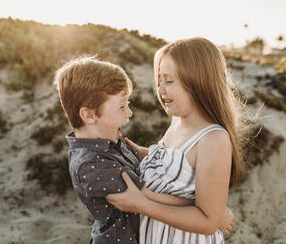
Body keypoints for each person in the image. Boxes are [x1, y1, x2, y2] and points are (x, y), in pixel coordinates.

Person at [54, 56, 235, 244]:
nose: (129, 113)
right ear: (89, 115)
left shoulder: (109, 143)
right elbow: (147, 195)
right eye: (122, 107)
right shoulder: (92, 165)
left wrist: (148, 154)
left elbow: (163, 167)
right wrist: (213, 211)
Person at [106, 37, 243, 244]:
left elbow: (208, 222)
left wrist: (141, 205)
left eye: (169, 81)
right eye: (159, 80)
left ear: (199, 82)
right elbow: (175, 165)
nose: (160, 90)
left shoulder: (213, 139)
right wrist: (145, 154)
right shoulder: (177, 123)